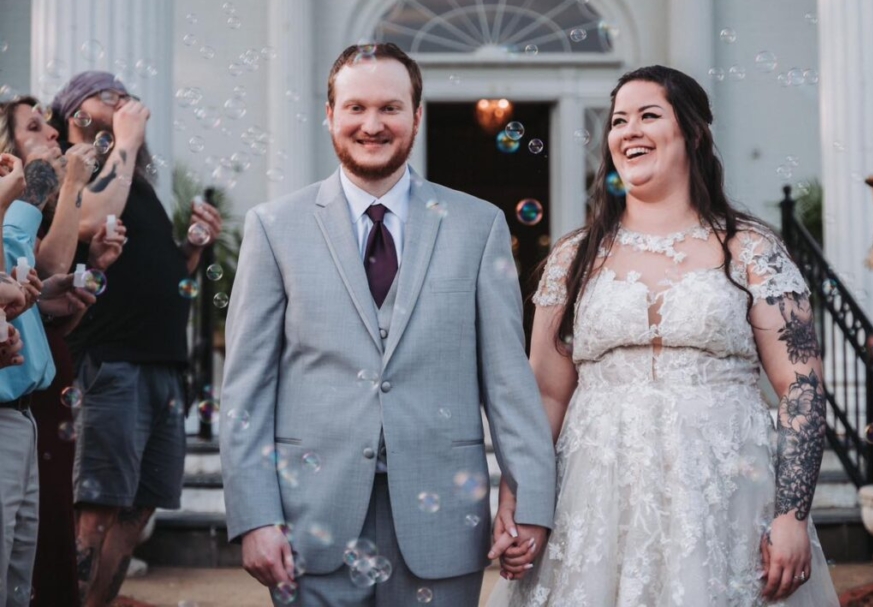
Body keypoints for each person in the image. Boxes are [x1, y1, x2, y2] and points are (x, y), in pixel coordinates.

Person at [219, 42, 556, 605]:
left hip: (444, 525)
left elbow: (508, 383)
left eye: (390, 108)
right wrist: (254, 517)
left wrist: (531, 500)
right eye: (356, 107)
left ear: (416, 117)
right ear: (330, 114)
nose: (372, 125)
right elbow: (246, 390)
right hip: (309, 523)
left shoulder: (478, 227)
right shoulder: (274, 228)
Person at [487, 65, 837, 606]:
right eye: (618, 120)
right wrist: (521, 502)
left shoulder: (752, 250)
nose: (629, 131)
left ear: (693, 133)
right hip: (596, 498)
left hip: (723, 499)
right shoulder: (573, 257)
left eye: (649, 115)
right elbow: (545, 396)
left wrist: (792, 516)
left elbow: (802, 389)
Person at [48, 72, 222, 607]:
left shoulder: (134, 183)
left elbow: (161, 275)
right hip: (111, 362)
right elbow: (88, 221)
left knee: (136, 510)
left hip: (162, 365)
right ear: (74, 113)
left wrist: (191, 250)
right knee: (97, 509)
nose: (123, 100)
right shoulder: (71, 168)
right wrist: (125, 141)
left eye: (126, 93)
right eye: (108, 94)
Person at [0, 95, 104, 607]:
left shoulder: (17, 219)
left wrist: (47, 302)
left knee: (22, 571)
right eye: (35, 127)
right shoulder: (12, 215)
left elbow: (24, 284)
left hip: (27, 413)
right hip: (7, 410)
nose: (54, 133)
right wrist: (62, 185)